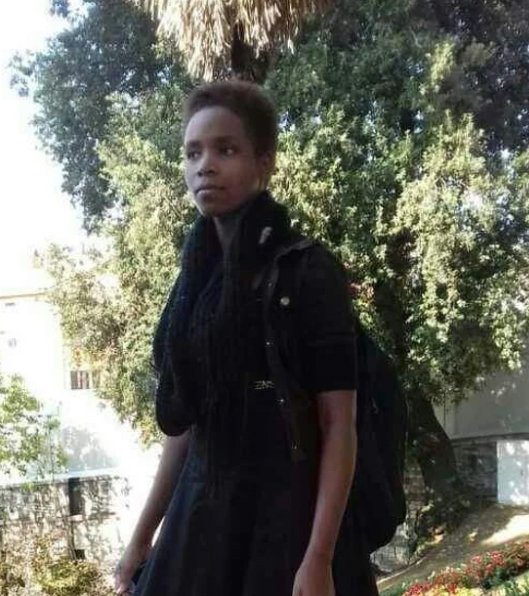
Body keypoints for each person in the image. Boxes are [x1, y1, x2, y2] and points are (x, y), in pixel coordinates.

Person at [114, 80, 377, 596]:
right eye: (193, 152)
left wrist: (319, 559)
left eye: (226, 149)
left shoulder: (307, 270)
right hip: (202, 515)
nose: (205, 166)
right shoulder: (194, 287)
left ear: (264, 163)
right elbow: (185, 426)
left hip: (289, 516)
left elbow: (338, 424)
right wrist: (141, 538)